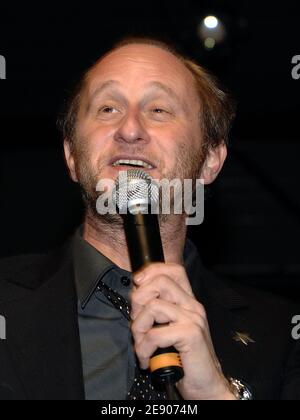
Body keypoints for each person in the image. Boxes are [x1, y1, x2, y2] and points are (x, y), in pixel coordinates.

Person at [0, 37, 299, 401]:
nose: (130, 129)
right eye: (108, 108)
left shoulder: (282, 334)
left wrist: (215, 393)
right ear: (72, 156)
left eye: (159, 110)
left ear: (210, 160)